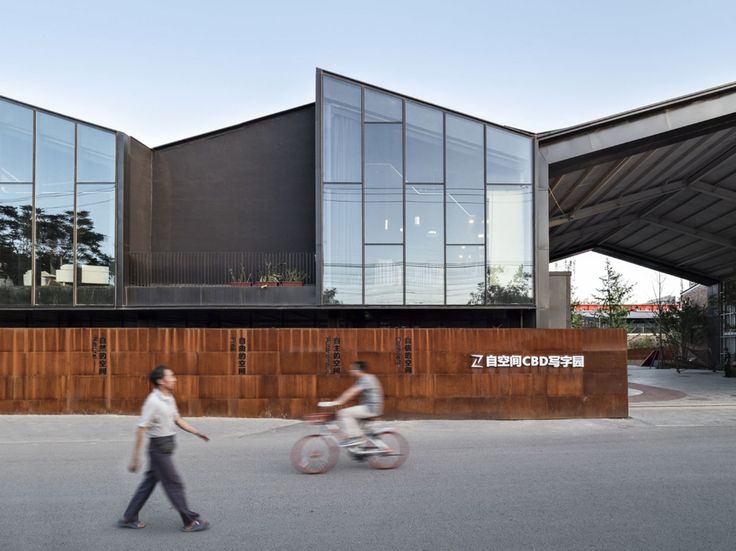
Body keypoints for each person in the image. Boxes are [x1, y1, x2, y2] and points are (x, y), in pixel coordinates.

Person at [118, 365, 210, 532]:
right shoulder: (153, 402)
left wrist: (196, 432)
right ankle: (189, 522)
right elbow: (141, 428)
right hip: (158, 450)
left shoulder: (168, 398)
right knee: (174, 484)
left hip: (164, 447)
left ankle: (129, 517)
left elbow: (177, 419)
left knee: (148, 483)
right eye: (171, 376)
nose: (174, 379)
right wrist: (135, 458)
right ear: (161, 381)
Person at [321, 361, 383, 447]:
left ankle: (355, 439)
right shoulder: (366, 378)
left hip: (370, 408)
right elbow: (352, 391)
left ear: (358, 370)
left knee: (344, 413)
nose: (350, 370)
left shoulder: (366, 379)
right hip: (372, 407)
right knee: (357, 426)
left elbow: (351, 392)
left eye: (352, 369)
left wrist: (337, 402)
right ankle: (359, 450)